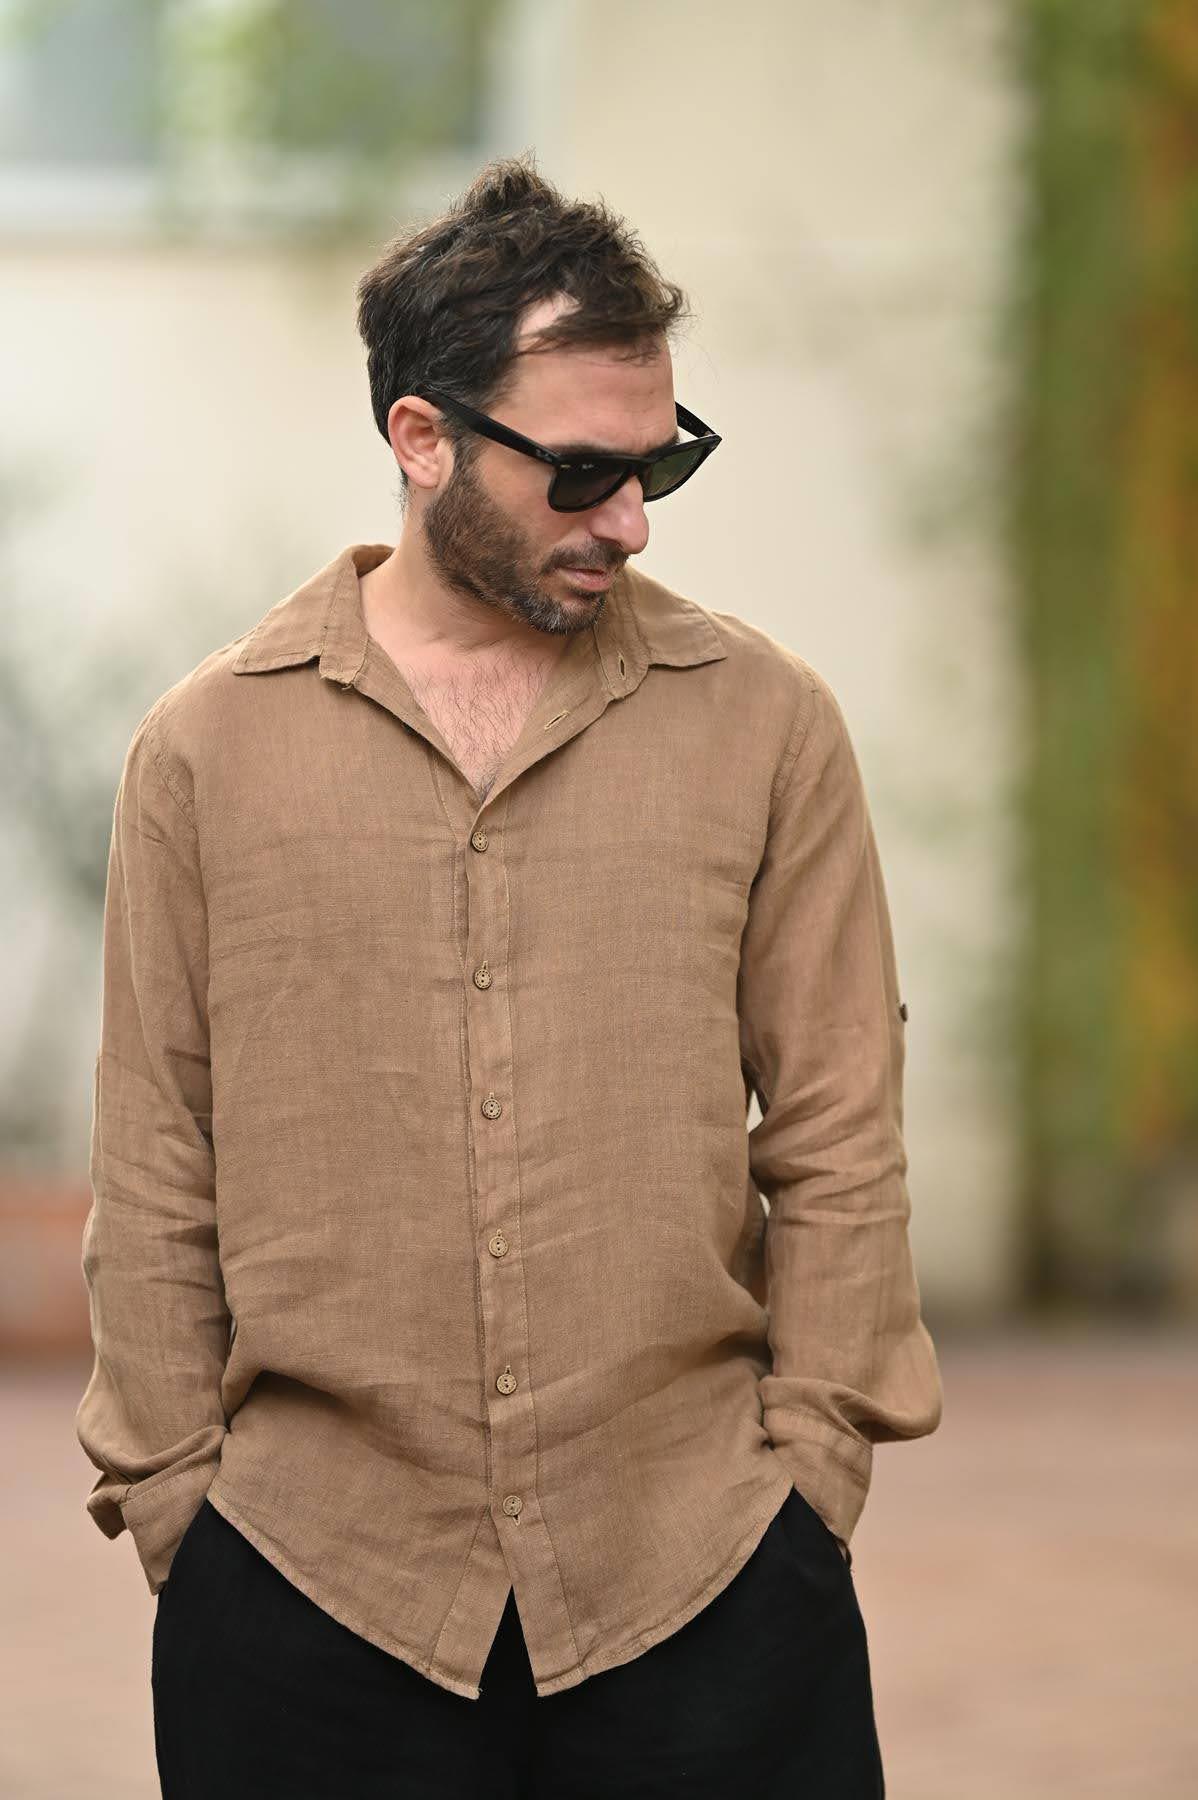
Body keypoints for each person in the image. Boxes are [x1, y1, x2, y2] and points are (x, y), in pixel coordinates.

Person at [76, 152, 942, 1798]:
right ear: (423, 440)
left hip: (708, 1578)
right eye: (581, 473)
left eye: (660, 465)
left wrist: (813, 1470)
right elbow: (155, 1153)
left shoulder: (764, 724)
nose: (627, 518)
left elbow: (838, 1122)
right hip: (308, 1590)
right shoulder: (207, 752)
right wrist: (183, 1504)